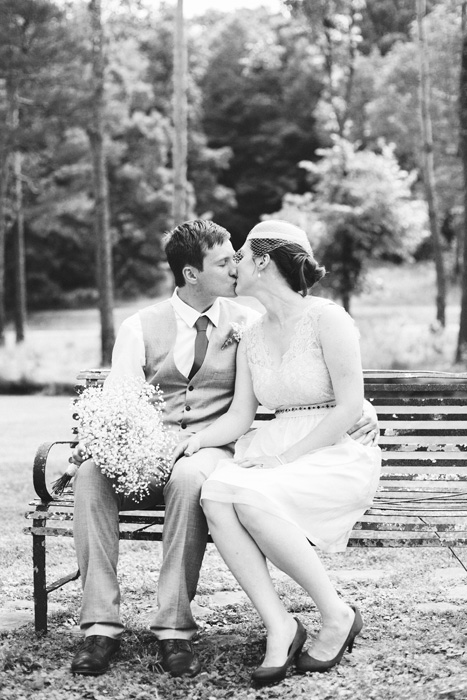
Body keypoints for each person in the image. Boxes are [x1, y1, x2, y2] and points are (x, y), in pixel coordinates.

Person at [70, 219, 378, 679]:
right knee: (91, 474)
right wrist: (107, 442)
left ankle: (174, 628)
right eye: (222, 261)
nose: (235, 267)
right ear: (191, 273)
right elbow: (120, 402)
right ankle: (100, 627)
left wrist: (362, 408)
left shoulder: (249, 320)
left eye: (238, 257)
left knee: (194, 477)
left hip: (216, 450)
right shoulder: (143, 326)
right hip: (155, 448)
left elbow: (314, 364)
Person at [174, 220, 382, 686]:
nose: (234, 265)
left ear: (264, 261)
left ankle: (335, 614)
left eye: (241, 256)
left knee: (246, 495)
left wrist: (285, 459)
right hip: (274, 445)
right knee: (216, 494)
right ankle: (280, 624)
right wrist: (197, 440)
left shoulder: (328, 318)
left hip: (335, 449)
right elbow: (240, 417)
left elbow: (349, 405)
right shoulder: (250, 333)